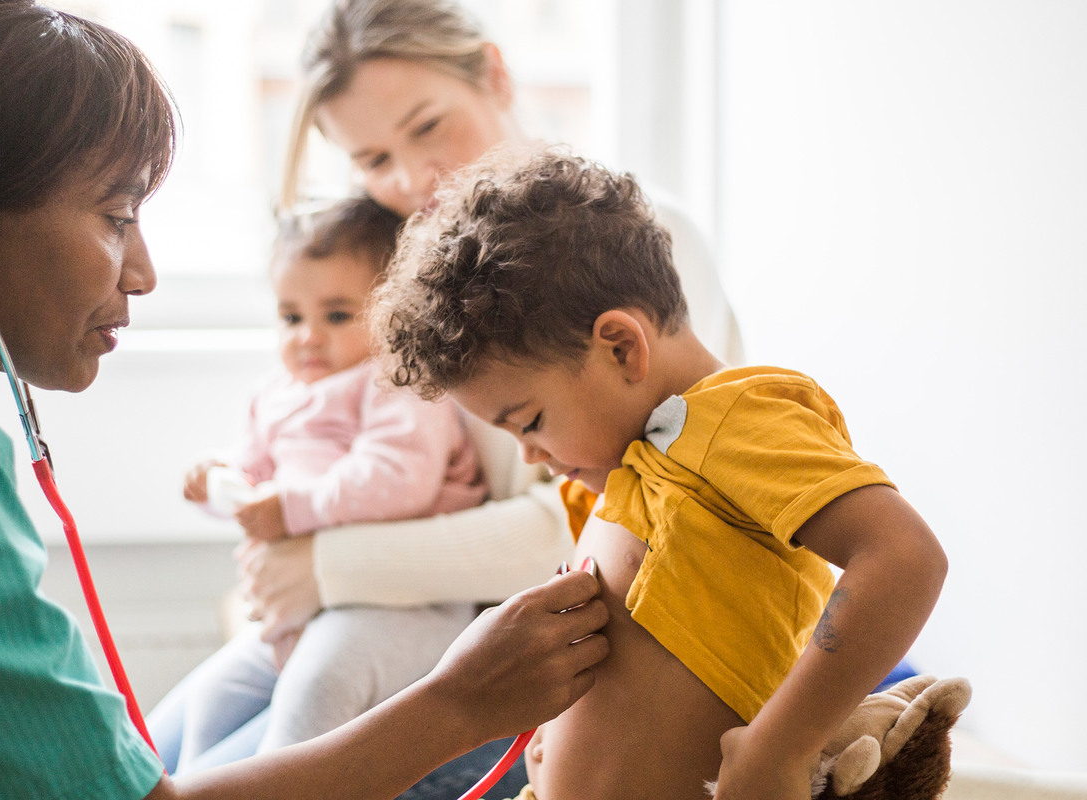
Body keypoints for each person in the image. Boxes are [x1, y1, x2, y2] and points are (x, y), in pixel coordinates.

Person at [0, 4, 609, 799]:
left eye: (428, 127)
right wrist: (452, 699)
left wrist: (322, 565)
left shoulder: (579, 263)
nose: (144, 274)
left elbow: (568, 523)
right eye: (117, 217)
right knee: (183, 731)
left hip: (419, 622)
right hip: (352, 619)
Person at [226, 4, 745, 791]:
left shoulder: (635, 242)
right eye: (373, 158)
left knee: (268, 765)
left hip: (570, 656)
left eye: (429, 126)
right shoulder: (417, 270)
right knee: (181, 753)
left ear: (496, 75)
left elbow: (602, 526)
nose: (409, 180)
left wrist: (326, 566)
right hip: (434, 631)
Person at [369, 147, 949, 800]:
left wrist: (782, 746)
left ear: (621, 346)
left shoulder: (734, 418)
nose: (529, 454)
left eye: (528, 421)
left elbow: (904, 556)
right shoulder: (624, 474)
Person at [158, 196, 488, 775]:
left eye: (336, 316)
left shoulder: (399, 381)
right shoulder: (279, 394)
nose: (307, 337)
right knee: (213, 697)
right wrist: (220, 480)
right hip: (303, 607)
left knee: (316, 689)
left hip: (402, 604)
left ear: (394, 311)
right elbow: (257, 478)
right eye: (291, 317)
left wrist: (289, 507)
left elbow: (398, 479)